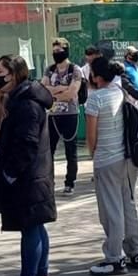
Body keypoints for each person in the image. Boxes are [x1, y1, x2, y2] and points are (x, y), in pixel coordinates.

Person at [0, 55, 56, 276]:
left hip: (28, 178)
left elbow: (27, 144)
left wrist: (10, 173)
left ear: (15, 74)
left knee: (31, 227)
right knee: (36, 225)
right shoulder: (18, 100)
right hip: (33, 177)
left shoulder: (25, 105)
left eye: (1, 71)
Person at [86, 58, 138, 276]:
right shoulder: (122, 93)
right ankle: (135, 252)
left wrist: (93, 156)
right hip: (128, 159)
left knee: (111, 210)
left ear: (96, 76)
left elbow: (91, 137)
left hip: (106, 160)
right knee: (129, 205)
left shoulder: (95, 99)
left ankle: (114, 257)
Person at [41, 38, 82, 194]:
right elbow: (43, 88)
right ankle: (48, 181)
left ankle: (70, 182)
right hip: (53, 114)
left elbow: (72, 93)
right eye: (54, 51)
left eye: (60, 50)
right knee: (48, 150)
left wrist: (53, 92)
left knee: (70, 150)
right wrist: (60, 89)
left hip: (70, 114)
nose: (56, 53)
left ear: (66, 50)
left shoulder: (75, 70)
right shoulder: (49, 70)